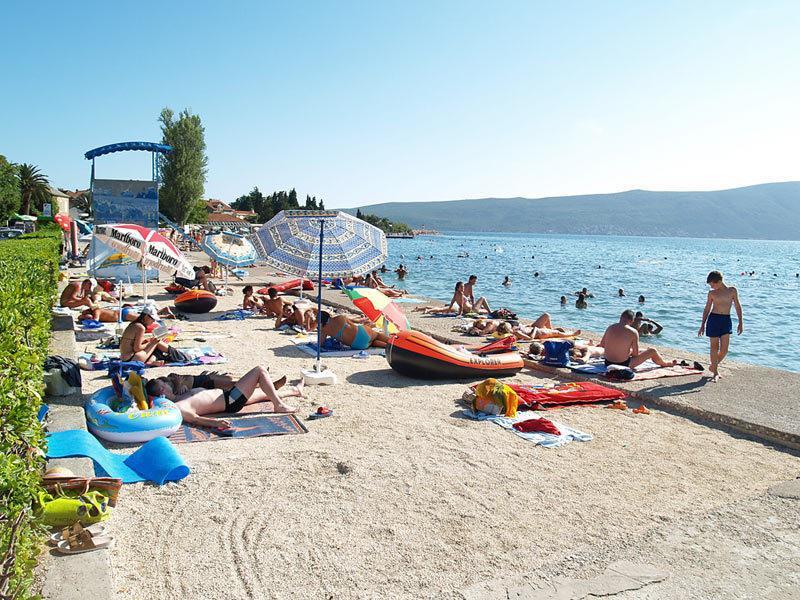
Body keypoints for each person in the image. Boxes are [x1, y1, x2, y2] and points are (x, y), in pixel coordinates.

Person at [146, 366, 302, 429]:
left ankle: (295, 391)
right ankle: (279, 406)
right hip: (230, 400)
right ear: (162, 390)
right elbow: (193, 419)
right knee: (260, 370)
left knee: (264, 394)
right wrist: (215, 423)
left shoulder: (180, 394)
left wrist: (182, 387)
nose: (168, 383)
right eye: (164, 383)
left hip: (229, 397)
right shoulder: (178, 406)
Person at [698, 271, 743, 382]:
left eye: (713, 284)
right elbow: (707, 308)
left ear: (719, 281)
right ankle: (715, 372)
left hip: (726, 320)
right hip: (713, 320)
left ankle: (714, 365)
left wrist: (741, 322)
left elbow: (737, 306)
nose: (712, 287)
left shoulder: (732, 291)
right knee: (714, 347)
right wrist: (702, 324)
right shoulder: (712, 294)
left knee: (724, 349)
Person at [599, 309, 677, 369]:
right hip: (623, 364)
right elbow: (635, 354)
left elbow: (602, 345)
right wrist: (629, 352)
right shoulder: (633, 332)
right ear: (632, 321)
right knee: (652, 351)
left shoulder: (610, 327)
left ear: (621, 317)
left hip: (607, 362)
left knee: (638, 350)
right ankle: (666, 364)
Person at [319, 312, 390, 349]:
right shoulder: (340, 318)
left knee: (372, 342)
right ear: (328, 315)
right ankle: (392, 342)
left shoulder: (323, 330)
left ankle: (386, 346)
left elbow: (320, 344)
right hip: (362, 334)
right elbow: (355, 323)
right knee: (377, 335)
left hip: (359, 345)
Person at [78, 303, 175, 323]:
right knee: (143, 316)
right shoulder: (96, 311)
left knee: (143, 319)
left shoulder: (96, 310)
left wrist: (86, 318)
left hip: (123, 314)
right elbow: (79, 317)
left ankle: (165, 315)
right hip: (123, 314)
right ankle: (163, 311)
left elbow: (95, 320)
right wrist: (83, 317)